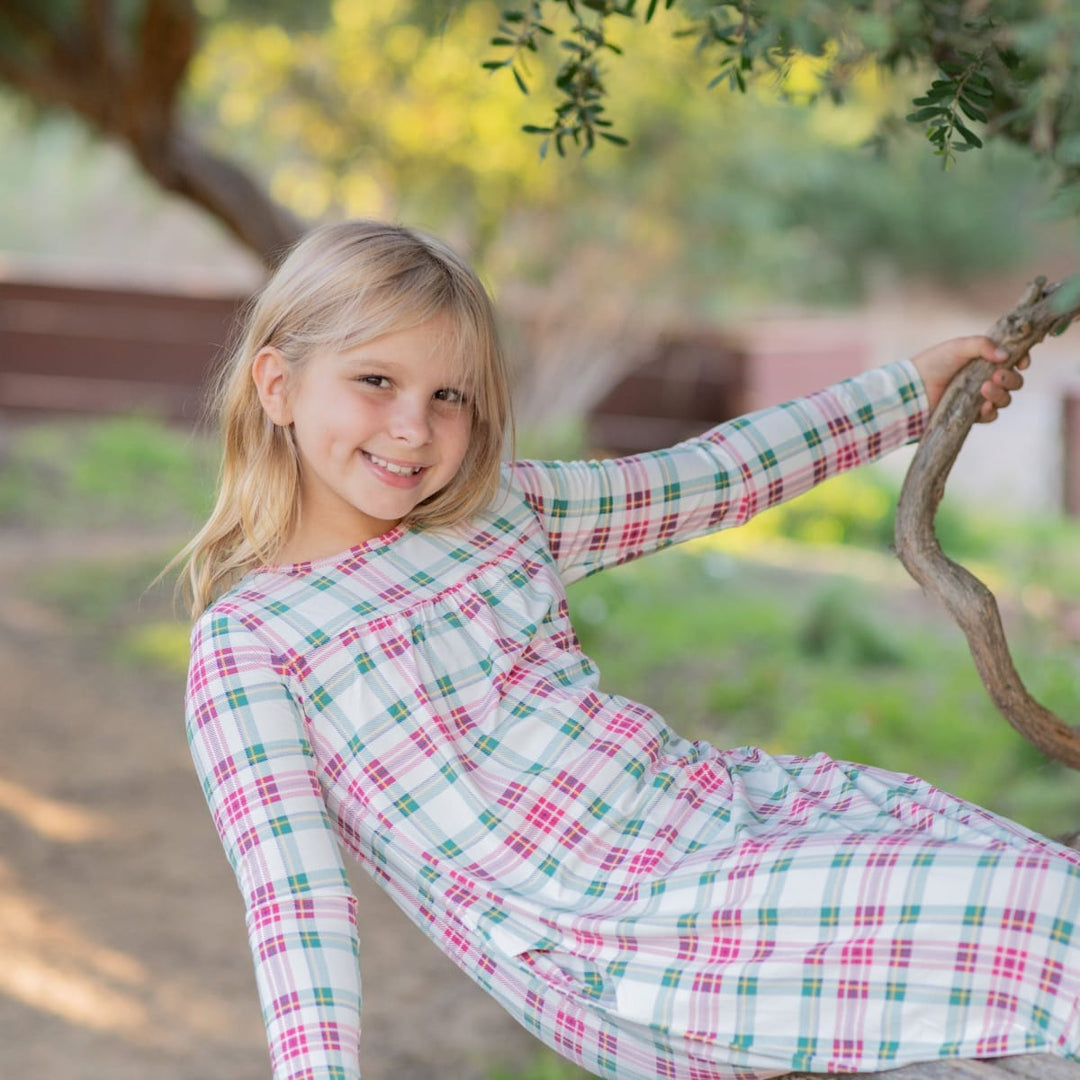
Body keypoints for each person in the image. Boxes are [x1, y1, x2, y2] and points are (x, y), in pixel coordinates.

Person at [180, 219, 1079, 1080]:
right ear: (278, 385)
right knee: (1048, 922)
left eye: (449, 395)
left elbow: (715, 476)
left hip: (724, 821)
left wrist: (908, 394)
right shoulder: (253, 644)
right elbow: (296, 907)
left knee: (1036, 874)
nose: (414, 427)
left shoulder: (499, 515)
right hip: (630, 951)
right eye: (376, 381)